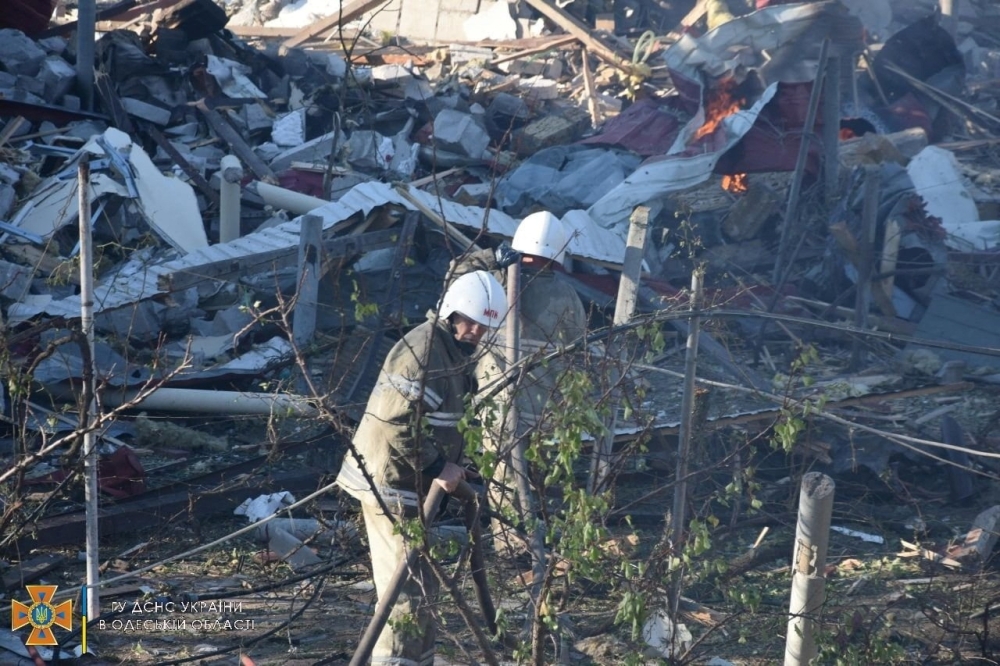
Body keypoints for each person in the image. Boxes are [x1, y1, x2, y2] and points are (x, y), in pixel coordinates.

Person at [335, 270, 507, 666]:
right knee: (408, 593)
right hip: (391, 484)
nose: (479, 333)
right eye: (474, 323)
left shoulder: (452, 351)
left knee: (421, 588)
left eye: (486, 327)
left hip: (412, 482)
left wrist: (460, 463)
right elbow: (398, 423)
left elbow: (442, 419)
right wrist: (436, 466)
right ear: (452, 313)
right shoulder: (424, 352)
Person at [449, 211, 588, 541]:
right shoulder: (569, 297)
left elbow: (454, 281)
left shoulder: (494, 285)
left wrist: (489, 257)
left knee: (505, 485)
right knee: (546, 484)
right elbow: (579, 359)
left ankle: (514, 553)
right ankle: (549, 547)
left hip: (498, 409)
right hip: (549, 412)